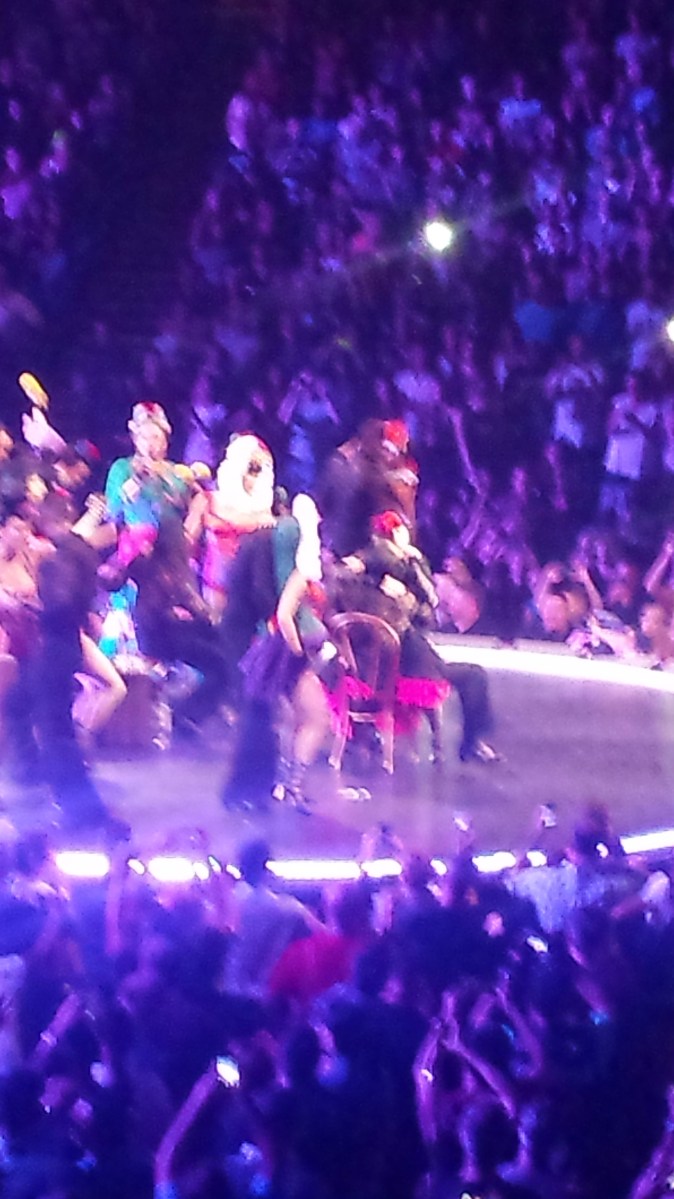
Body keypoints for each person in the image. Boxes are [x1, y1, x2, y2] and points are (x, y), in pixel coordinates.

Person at [332, 511, 500, 763]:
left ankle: (470, 744)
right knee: (474, 675)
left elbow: (427, 607)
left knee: (469, 673)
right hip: (409, 664)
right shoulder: (386, 568)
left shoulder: (389, 572)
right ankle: (471, 744)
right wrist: (408, 584)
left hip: (393, 659)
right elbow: (426, 611)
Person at [184, 432, 275, 621]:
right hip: (213, 593)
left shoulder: (267, 515)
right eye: (251, 468)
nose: (253, 478)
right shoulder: (207, 501)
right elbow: (184, 549)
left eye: (260, 471)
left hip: (251, 600)